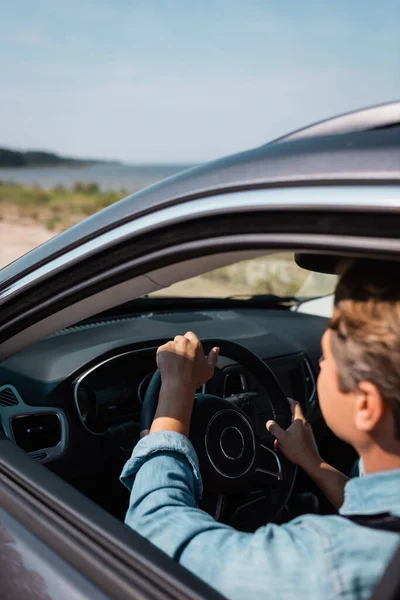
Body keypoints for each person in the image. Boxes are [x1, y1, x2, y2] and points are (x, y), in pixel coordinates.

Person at [121, 259, 400, 600]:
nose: (321, 365)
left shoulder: (329, 564)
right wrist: (314, 464)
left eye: (326, 358)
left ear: (365, 405)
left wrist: (175, 398)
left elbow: (153, 537)